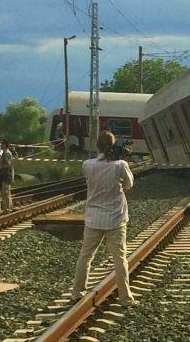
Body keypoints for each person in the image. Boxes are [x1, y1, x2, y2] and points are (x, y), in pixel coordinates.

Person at [72, 131, 137, 306]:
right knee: (119, 259)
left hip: (93, 218)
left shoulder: (87, 165)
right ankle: (125, 298)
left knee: (85, 256)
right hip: (115, 219)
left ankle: (77, 292)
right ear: (114, 146)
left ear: (97, 146)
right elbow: (129, 185)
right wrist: (124, 159)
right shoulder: (120, 165)